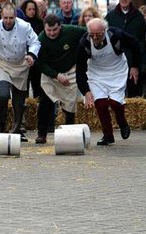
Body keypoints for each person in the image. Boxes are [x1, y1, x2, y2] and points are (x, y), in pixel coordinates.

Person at [0, 3, 40, 141]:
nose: (8, 21)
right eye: (5, 17)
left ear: (16, 16)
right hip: (1, 62)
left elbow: (35, 41)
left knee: (19, 101)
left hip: (20, 64)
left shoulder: (24, 26)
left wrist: (31, 55)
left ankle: (17, 130)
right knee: (3, 94)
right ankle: (0, 127)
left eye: (11, 17)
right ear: (1, 16)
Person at [76, 18, 140, 145]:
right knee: (101, 104)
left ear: (104, 31)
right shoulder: (84, 43)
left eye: (98, 34)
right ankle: (108, 135)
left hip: (117, 71)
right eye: (92, 34)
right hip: (97, 74)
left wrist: (135, 66)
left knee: (116, 103)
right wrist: (86, 91)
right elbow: (80, 70)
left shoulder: (116, 35)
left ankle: (122, 123)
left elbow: (135, 44)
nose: (95, 37)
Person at [34, 14, 86, 144]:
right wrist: (56, 75)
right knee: (45, 102)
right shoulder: (41, 39)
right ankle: (42, 134)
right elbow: (40, 64)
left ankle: (69, 135)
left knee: (70, 105)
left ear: (60, 27)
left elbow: (88, 33)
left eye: (55, 30)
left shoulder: (72, 31)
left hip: (70, 71)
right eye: (49, 30)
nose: (52, 33)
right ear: (44, 28)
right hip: (51, 74)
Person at [105, 0, 146, 98]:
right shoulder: (110, 16)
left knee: (134, 96)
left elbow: (142, 43)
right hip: (114, 64)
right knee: (115, 96)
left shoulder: (138, 16)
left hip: (133, 63)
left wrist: (136, 65)